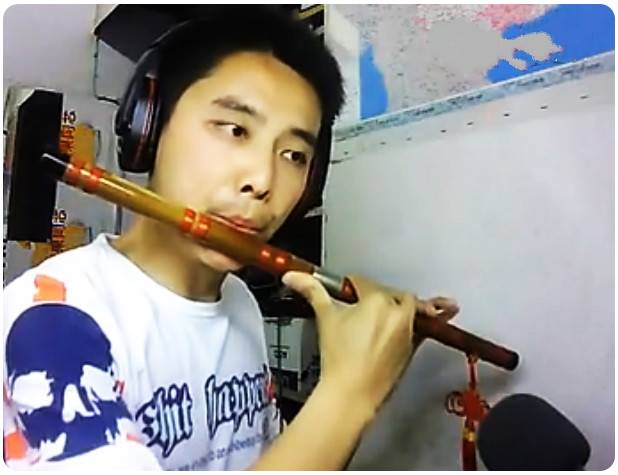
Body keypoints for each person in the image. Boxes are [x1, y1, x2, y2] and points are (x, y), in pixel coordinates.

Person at [3, 5, 458, 470]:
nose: (262, 180)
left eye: (294, 155)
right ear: (147, 126)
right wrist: (348, 397)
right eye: (236, 130)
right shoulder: (51, 321)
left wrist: (369, 365)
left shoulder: (237, 300)